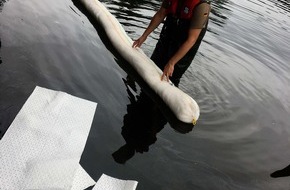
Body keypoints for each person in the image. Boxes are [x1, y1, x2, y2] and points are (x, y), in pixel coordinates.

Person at [132, 0, 211, 86]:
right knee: (155, 63)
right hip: (170, 30)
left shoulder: (202, 6)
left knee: (172, 75)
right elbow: (160, 14)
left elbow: (191, 40)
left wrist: (172, 63)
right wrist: (144, 36)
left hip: (186, 41)